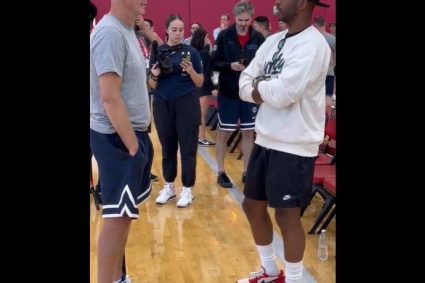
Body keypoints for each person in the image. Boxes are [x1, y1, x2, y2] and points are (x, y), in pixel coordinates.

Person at [238, 0, 331, 282]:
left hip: (294, 144)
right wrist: (262, 89)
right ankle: (269, 271)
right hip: (266, 138)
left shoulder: (314, 46)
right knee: (252, 206)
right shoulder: (274, 40)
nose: (276, 2)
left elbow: (283, 93)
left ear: (302, 3)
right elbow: (244, 80)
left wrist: (257, 88)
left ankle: (293, 279)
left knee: (286, 216)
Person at [90, 0, 154, 282]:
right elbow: (109, 96)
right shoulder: (110, 34)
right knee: (116, 221)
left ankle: (117, 278)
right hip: (117, 138)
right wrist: (131, 145)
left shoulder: (128, 29)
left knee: (124, 215)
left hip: (129, 135)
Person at [149, 14, 204, 208]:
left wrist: (190, 71)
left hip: (186, 103)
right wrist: (154, 75)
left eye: (181, 30)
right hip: (163, 105)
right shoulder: (158, 51)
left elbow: (200, 82)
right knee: (167, 148)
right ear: (166, 30)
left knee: (188, 148)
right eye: (174, 29)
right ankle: (169, 187)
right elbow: (151, 85)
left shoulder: (192, 53)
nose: (178, 33)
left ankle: (187, 189)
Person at [211, 0, 265, 188]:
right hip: (228, 93)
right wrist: (230, 66)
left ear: (251, 18)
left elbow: (264, 66)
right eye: (240, 19)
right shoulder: (225, 36)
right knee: (224, 132)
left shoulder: (258, 38)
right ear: (235, 18)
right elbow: (213, 63)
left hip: (249, 94)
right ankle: (221, 171)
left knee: (248, 132)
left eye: (247, 19)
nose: (243, 23)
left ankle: (247, 171)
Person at [135, 15, 163, 183]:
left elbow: (161, 45)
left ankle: (144, 173)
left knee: (144, 138)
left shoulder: (142, 37)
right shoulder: (119, 35)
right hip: (126, 97)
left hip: (143, 94)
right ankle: (103, 185)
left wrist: (144, 29)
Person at [190, 28, 216, 146]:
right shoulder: (205, 54)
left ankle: (197, 137)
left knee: (197, 113)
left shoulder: (192, 52)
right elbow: (208, 72)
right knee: (202, 114)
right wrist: (214, 87)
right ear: (202, 38)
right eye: (206, 37)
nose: (208, 39)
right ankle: (201, 138)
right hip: (203, 86)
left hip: (194, 85)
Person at [313, 16, 336, 99]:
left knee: (315, 97)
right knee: (328, 98)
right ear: (325, 24)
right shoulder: (332, 38)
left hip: (316, 73)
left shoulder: (312, 38)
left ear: (315, 25)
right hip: (329, 72)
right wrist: (333, 65)